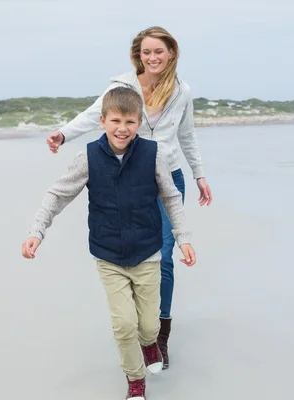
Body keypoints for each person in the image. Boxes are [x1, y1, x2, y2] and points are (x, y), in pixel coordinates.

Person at [44, 26, 211, 369]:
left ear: (171, 54)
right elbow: (96, 114)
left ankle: (159, 331)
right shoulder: (122, 85)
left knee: (163, 257)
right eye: (147, 52)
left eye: (159, 52)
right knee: (131, 252)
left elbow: (188, 136)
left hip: (167, 175)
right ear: (139, 55)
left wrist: (199, 175)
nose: (153, 58)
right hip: (129, 173)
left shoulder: (181, 91)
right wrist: (64, 133)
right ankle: (134, 321)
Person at [22, 86, 196, 400]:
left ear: (139, 123)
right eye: (115, 121)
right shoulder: (87, 157)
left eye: (129, 122)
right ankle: (135, 382)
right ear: (103, 121)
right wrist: (37, 231)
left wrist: (183, 238)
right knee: (124, 324)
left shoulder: (153, 154)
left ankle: (149, 344)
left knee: (147, 325)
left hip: (148, 253)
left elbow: (170, 197)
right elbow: (58, 194)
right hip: (109, 256)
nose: (122, 128)